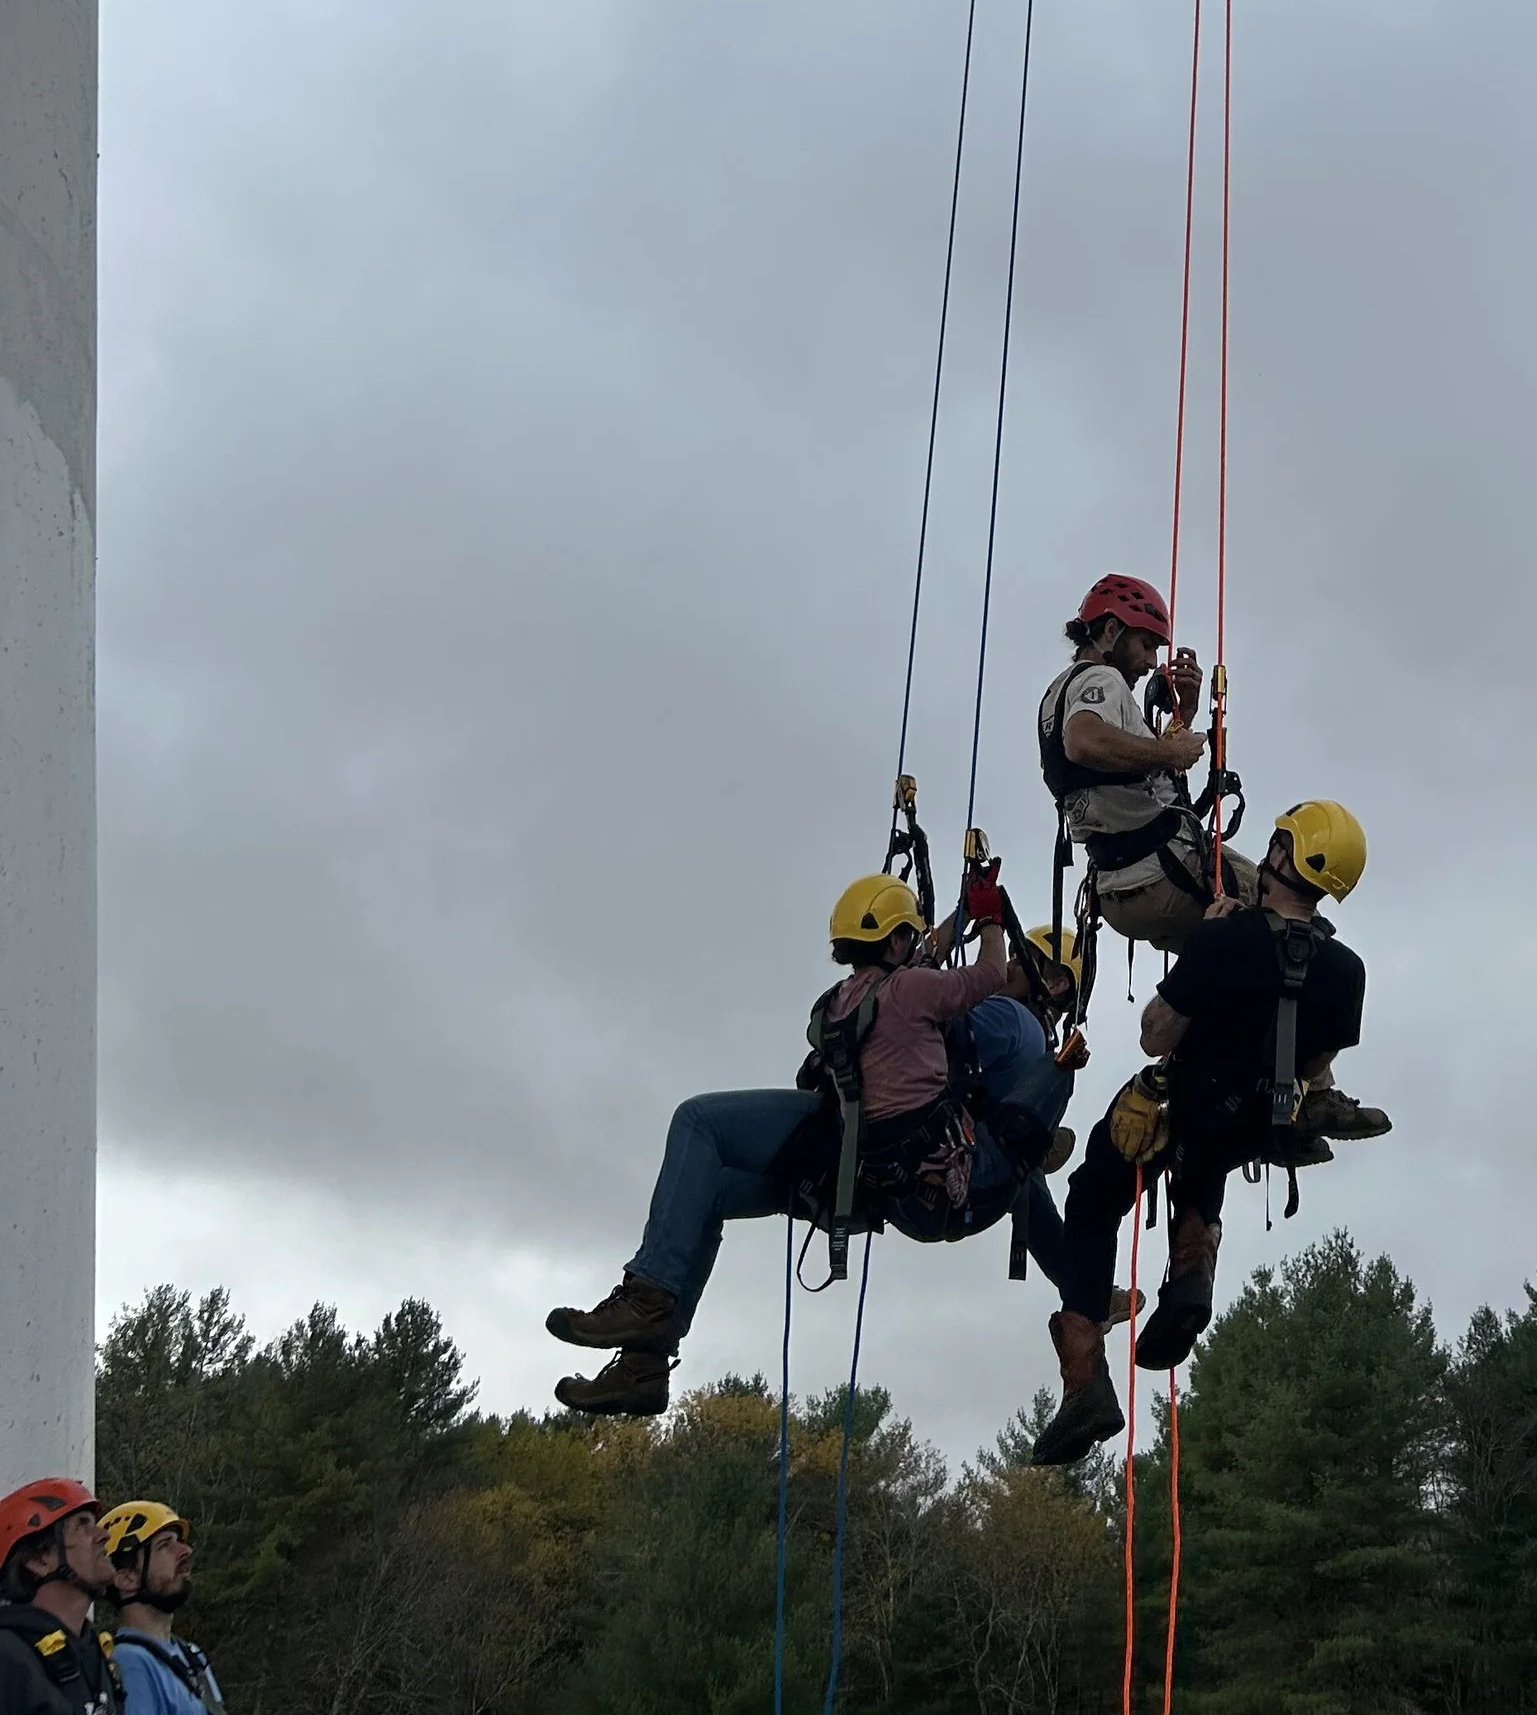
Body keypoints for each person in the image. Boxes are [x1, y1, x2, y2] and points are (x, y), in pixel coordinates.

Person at [549, 867, 1082, 1416]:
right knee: (708, 1188)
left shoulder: (878, 1002)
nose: (1018, 963)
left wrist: (975, 914)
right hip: (860, 1158)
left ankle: (650, 1295)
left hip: (856, 1146)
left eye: (1030, 961)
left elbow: (950, 964)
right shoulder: (909, 991)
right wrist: (982, 913)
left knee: (699, 1124)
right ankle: (645, 1363)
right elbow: (955, 965)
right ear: (896, 940)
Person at [1030, 800, 1374, 1466]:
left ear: (1282, 855)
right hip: (1257, 1119)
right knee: (1207, 1151)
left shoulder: (1225, 939)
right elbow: (1313, 1064)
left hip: (1187, 1098)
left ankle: (1085, 1381)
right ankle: (1190, 1276)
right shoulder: (1347, 971)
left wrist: (1204, 948)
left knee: (1094, 1196)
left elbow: (1156, 1032)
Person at [1038, 573, 1216, 954]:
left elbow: (1137, 774)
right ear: (1111, 631)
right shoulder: (1103, 679)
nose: (1152, 662)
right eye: (1146, 645)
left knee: (1211, 973)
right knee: (1276, 912)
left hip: (1118, 892)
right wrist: (1173, 752)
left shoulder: (1058, 693)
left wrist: (1184, 712)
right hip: (1165, 873)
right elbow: (1083, 741)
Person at [96, 1508, 255, 1715]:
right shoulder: (131, 1665)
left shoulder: (190, 1657)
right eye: (166, 1545)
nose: (186, 1552)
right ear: (124, 1577)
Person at [0, 1479, 127, 1715]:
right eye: (83, 1524)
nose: (103, 1535)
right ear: (40, 1560)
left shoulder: (95, 1658)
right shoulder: (9, 1661)